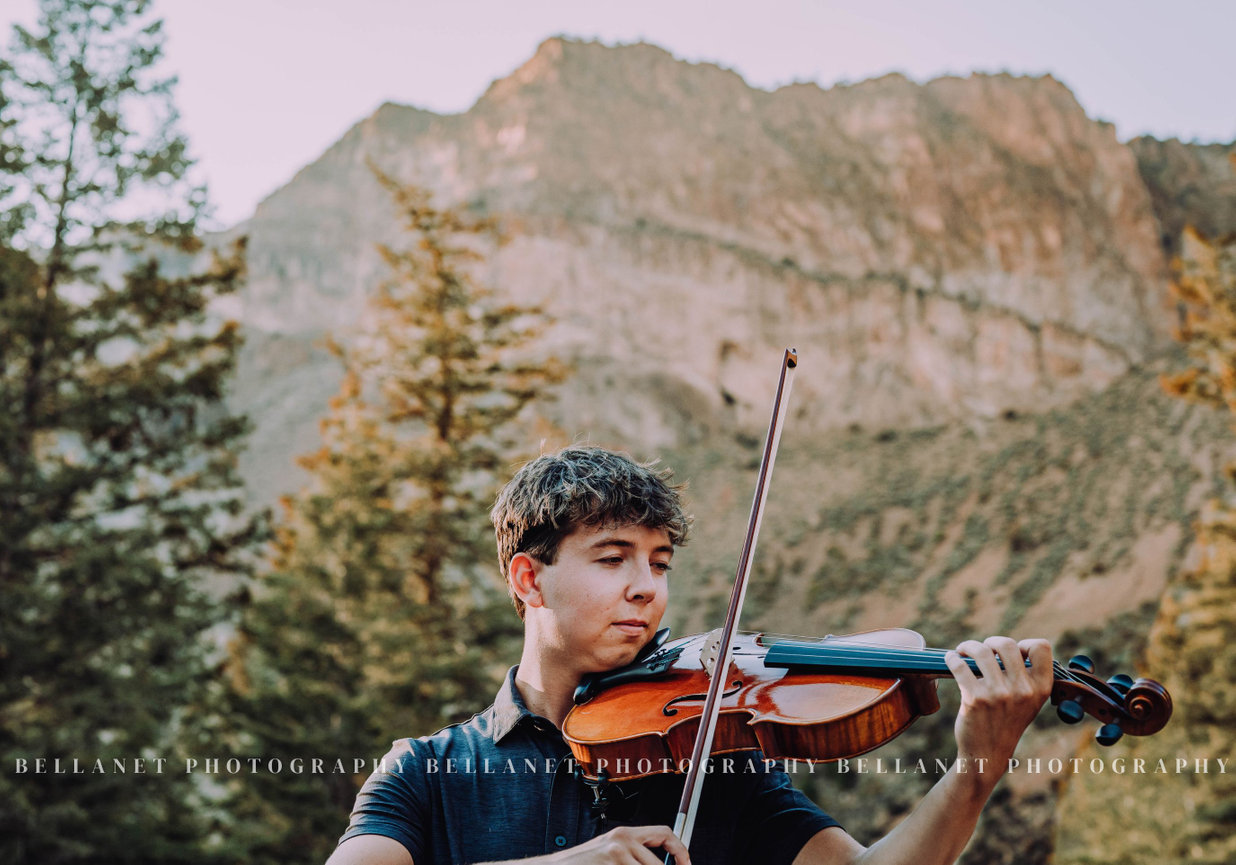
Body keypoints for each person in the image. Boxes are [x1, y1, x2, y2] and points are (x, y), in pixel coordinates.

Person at [327, 446, 1054, 865]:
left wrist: (975, 770)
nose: (646, 588)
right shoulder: (426, 772)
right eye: (614, 559)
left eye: (660, 562)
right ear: (529, 577)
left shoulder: (715, 758)